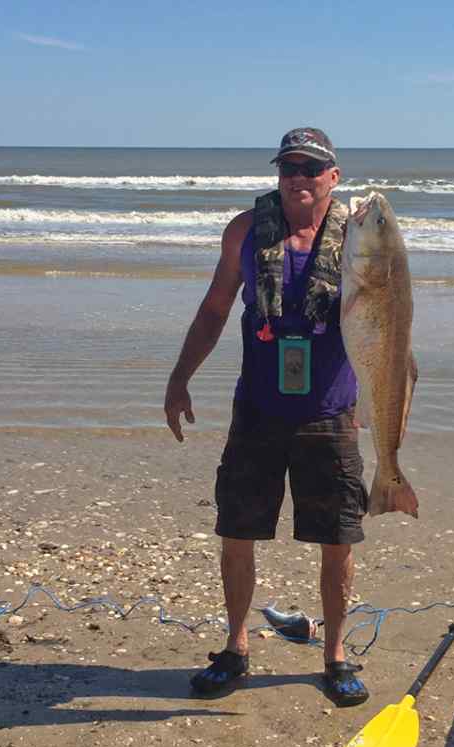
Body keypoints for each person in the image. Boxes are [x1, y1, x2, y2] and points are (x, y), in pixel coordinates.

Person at [164, 128, 369, 707]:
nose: (298, 178)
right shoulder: (245, 230)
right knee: (236, 532)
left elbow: (387, 313)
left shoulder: (360, 234)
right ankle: (235, 648)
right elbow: (214, 307)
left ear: (334, 176)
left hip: (331, 411)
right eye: (289, 168)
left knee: (336, 539)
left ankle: (334, 655)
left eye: (311, 168)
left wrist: (387, 398)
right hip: (257, 407)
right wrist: (180, 379)